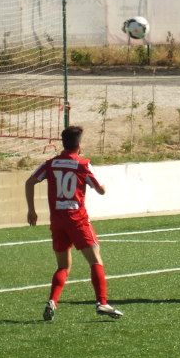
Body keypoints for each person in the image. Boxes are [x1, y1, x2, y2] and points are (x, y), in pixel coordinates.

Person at [25, 125, 123, 321]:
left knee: (63, 266)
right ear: (79, 145)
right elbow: (101, 190)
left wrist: (32, 210)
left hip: (57, 220)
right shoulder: (83, 164)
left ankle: (52, 301)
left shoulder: (50, 163)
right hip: (77, 219)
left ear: (63, 143)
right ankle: (102, 302)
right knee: (95, 260)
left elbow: (30, 182)